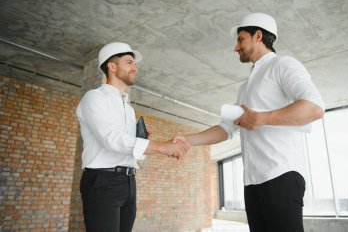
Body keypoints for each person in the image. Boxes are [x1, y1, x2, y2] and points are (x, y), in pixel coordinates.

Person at [174, 13, 325, 232]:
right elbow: (227, 128)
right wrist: (187, 140)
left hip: (281, 176)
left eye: (240, 39)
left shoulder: (283, 65)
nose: (236, 47)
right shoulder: (244, 88)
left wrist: (262, 118)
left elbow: (314, 107)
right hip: (252, 184)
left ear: (258, 36)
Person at [76, 42, 189, 232]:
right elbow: (111, 140)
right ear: (112, 66)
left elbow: (128, 148)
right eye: (129, 62)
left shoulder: (128, 109)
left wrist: (146, 141)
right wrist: (160, 146)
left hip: (128, 182)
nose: (135, 68)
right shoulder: (94, 97)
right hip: (102, 180)